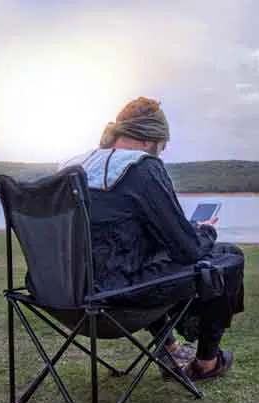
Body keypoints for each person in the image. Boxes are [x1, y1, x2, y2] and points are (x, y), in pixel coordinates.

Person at [59, 96, 244, 381]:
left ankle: (169, 348)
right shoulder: (142, 168)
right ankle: (206, 362)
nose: (162, 152)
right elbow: (188, 250)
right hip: (115, 301)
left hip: (61, 297)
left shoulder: (75, 168)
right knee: (227, 256)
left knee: (141, 260)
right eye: (162, 145)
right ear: (149, 140)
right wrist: (205, 229)